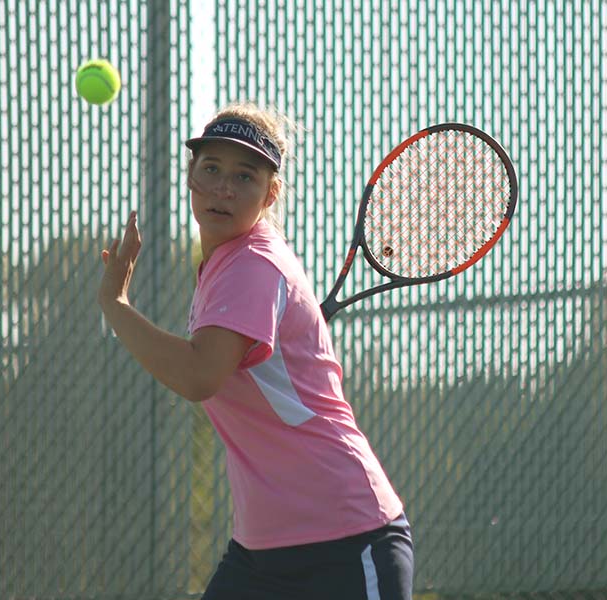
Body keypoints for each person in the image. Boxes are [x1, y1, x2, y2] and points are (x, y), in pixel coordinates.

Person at [97, 101, 413, 599]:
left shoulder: (252, 265)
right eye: (212, 169)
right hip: (263, 553)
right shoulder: (227, 263)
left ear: (270, 194)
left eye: (245, 176)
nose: (224, 187)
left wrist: (115, 305)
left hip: (346, 541)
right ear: (191, 176)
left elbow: (200, 375)